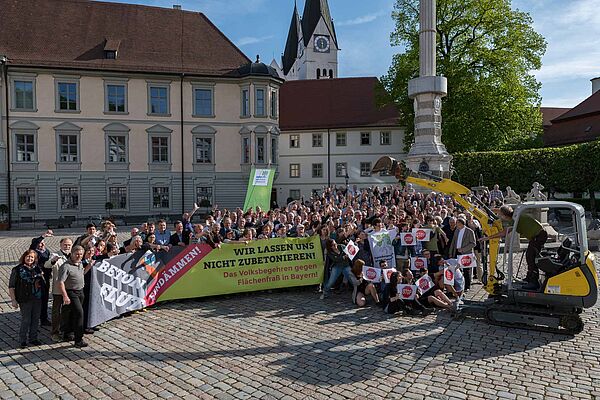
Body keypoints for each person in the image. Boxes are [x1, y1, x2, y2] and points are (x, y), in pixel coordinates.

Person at [481, 205, 547, 290]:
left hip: (539, 236)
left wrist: (488, 238)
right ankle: (529, 277)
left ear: (505, 216)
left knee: (531, 257)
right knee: (529, 256)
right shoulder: (515, 214)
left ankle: (534, 282)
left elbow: (503, 233)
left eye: (500, 215)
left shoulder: (513, 221)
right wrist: (486, 209)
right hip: (538, 235)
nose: (499, 216)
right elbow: (502, 210)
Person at [8, 249, 46, 348]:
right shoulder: (17, 269)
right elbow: (11, 286)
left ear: (35, 259)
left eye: (32, 257)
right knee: (26, 319)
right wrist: (13, 300)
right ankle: (23, 340)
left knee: (35, 319)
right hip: (24, 298)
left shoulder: (37, 268)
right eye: (28, 256)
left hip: (37, 297)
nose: (30, 258)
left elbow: (43, 283)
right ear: (24, 257)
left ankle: (33, 338)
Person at [57, 245, 88, 347]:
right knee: (79, 313)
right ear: (72, 254)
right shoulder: (65, 266)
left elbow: (82, 274)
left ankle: (68, 333)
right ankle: (78, 339)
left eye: (81, 254)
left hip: (80, 291)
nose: (79, 256)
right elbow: (60, 282)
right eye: (77, 254)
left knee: (71, 314)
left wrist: (89, 266)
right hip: (71, 292)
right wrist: (65, 296)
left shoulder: (80, 263)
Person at [44, 237, 72, 342]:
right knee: (56, 311)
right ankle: (55, 332)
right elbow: (46, 265)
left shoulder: (73, 255)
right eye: (65, 244)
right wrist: (53, 261)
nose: (67, 247)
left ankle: (66, 330)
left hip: (70, 288)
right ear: (60, 245)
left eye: (69, 245)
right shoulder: (55, 254)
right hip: (58, 289)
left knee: (68, 310)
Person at [29, 232, 52, 327]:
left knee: (45, 298)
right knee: (37, 299)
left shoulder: (47, 251)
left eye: (43, 242)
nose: (42, 244)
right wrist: (43, 236)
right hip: (37, 278)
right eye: (40, 243)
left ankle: (44, 318)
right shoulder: (34, 252)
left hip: (46, 277)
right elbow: (33, 245)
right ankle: (33, 319)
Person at [448, 217, 476, 291]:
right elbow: (453, 242)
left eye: (457, 223)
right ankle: (459, 286)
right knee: (457, 269)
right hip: (457, 252)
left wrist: (463, 249)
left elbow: (473, 243)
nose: (456, 224)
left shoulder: (469, 231)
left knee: (467, 271)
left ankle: (467, 286)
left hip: (466, 253)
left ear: (461, 223)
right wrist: (451, 252)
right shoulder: (457, 230)